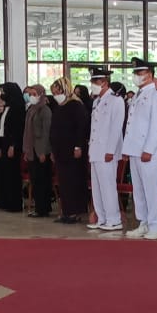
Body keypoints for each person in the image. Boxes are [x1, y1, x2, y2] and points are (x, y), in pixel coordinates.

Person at [121, 58, 157, 239]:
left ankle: (156, 225)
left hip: (149, 151)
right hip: (135, 149)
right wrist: (127, 148)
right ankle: (144, 223)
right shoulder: (138, 95)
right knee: (139, 190)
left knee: (151, 189)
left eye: (140, 73)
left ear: (150, 74)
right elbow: (132, 125)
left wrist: (148, 149)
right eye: (136, 73)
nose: (137, 76)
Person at [87, 67, 125, 232]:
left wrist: (110, 150)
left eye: (95, 82)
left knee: (108, 186)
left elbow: (116, 127)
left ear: (104, 82)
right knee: (97, 187)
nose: (93, 85)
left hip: (107, 151)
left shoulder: (116, 100)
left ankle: (114, 219)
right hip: (96, 150)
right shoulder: (97, 101)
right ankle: (101, 218)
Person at [49, 75, 89, 223]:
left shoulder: (76, 105)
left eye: (57, 91)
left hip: (73, 150)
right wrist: (53, 150)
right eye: (53, 93)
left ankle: (74, 212)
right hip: (60, 150)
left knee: (73, 181)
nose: (55, 95)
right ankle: (66, 211)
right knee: (64, 183)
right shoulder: (59, 106)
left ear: (65, 89)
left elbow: (81, 128)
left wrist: (78, 146)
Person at [0, 82, 25, 212]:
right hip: (3, 142)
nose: (2, 94)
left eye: (4, 92)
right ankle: (5, 201)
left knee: (12, 174)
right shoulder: (6, 107)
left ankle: (14, 204)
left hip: (12, 144)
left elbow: (18, 129)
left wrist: (13, 145)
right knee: (4, 174)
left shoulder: (18, 108)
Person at [23, 84, 53, 217]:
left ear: (41, 95)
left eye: (34, 94)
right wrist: (27, 150)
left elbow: (47, 133)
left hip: (41, 150)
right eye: (30, 94)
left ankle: (43, 209)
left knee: (42, 180)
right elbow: (27, 132)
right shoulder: (31, 109)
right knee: (35, 180)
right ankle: (39, 207)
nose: (31, 97)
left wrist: (43, 151)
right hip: (32, 150)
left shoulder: (45, 110)